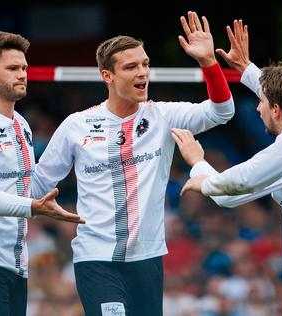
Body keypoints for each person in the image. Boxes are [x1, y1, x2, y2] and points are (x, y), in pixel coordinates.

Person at [31, 11, 235, 316]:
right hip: (96, 260)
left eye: (145, 64)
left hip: (148, 258)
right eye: (131, 67)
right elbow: (36, 185)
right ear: (107, 76)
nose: (143, 73)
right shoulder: (77, 125)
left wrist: (208, 62)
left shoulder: (164, 115)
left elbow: (222, 112)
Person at [0, 30, 85, 316]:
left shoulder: (21, 124)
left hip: (16, 264)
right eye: (12, 68)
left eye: (24, 68)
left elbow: (27, 188)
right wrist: (35, 208)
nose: (22, 74)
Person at [174, 20, 282, 211]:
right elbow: (280, 96)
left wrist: (197, 162)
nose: (258, 108)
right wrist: (245, 66)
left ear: (276, 110)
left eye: (261, 102)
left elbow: (227, 194)